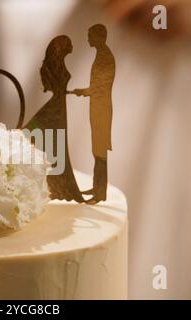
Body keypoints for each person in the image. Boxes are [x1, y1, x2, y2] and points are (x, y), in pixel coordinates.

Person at [25, 35, 84, 203]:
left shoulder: (59, 64)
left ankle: (59, 186)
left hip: (59, 104)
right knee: (52, 141)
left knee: (55, 143)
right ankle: (56, 186)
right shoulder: (55, 66)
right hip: (57, 105)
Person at [71, 24, 115, 204]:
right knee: (96, 150)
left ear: (99, 37)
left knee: (100, 151)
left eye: (90, 36)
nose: (88, 39)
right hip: (97, 107)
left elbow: (101, 88)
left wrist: (83, 91)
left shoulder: (105, 57)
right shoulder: (101, 55)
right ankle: (97, 187)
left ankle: (100, 192)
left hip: (101, 109)